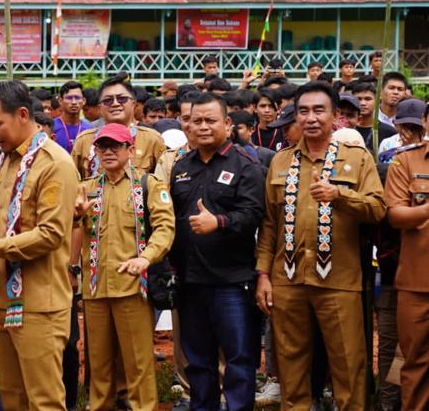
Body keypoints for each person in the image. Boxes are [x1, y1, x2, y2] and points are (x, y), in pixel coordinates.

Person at [254, 82, 386, 409]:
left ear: (335, 115)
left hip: (339, 279)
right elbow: (269, 224)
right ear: (296, 117)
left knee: (348, 362)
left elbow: (377, 209)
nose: (311, 118)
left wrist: (340, 195)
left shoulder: (357, 159)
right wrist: (263, 276)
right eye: (303, 111)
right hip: (287, 278)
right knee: (290, 362)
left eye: (319, 110)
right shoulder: (281, 161)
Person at [0, 80, 79, 410]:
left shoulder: (54, 163)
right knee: (12, 397)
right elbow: (11, 222)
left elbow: (50, 235)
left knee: (43, 400)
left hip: (38, 304)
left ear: (23, 114)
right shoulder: (8, 161)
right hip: (2, 298)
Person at [170, 93, 265, 410]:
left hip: (232, 282)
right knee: (198, 361)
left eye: (210, 120)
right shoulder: (181, 167)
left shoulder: (246, 166)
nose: (203, 126)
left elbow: (253, 214)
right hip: (191, 281)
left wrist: (219, 222)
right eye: (196, 121)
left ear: (227, 123)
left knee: (239, 359)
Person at [73, 123, 173, 410]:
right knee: (99, 367)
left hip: (133, 289)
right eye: (102, 146)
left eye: (115, 146)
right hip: (95, 290)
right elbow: (69, 230)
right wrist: (75, 216)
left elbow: (165, 228)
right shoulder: (87, 188)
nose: (107, 152)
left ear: (130, 149)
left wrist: (146, 257)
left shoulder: (148, 185)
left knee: (139, 364)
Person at [384, 120, 429, 410]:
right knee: (416, 362)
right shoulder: (406, 161)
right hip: (418, 282)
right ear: (426, 122)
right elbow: (396, 214)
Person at [72, 75, 166, 178]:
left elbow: (162, 183)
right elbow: (74, 182)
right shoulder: (84, 141)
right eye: (108, 100)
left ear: (133, 104)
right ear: (100, 107)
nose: (115, 103)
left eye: (122, 99)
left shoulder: (152, 140)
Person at [53, 81, 90, 153]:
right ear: (60, 101)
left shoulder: (89, 130)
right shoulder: (51, 127)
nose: (74, 102)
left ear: (84, 101)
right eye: (69, 98)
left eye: (77, 97)